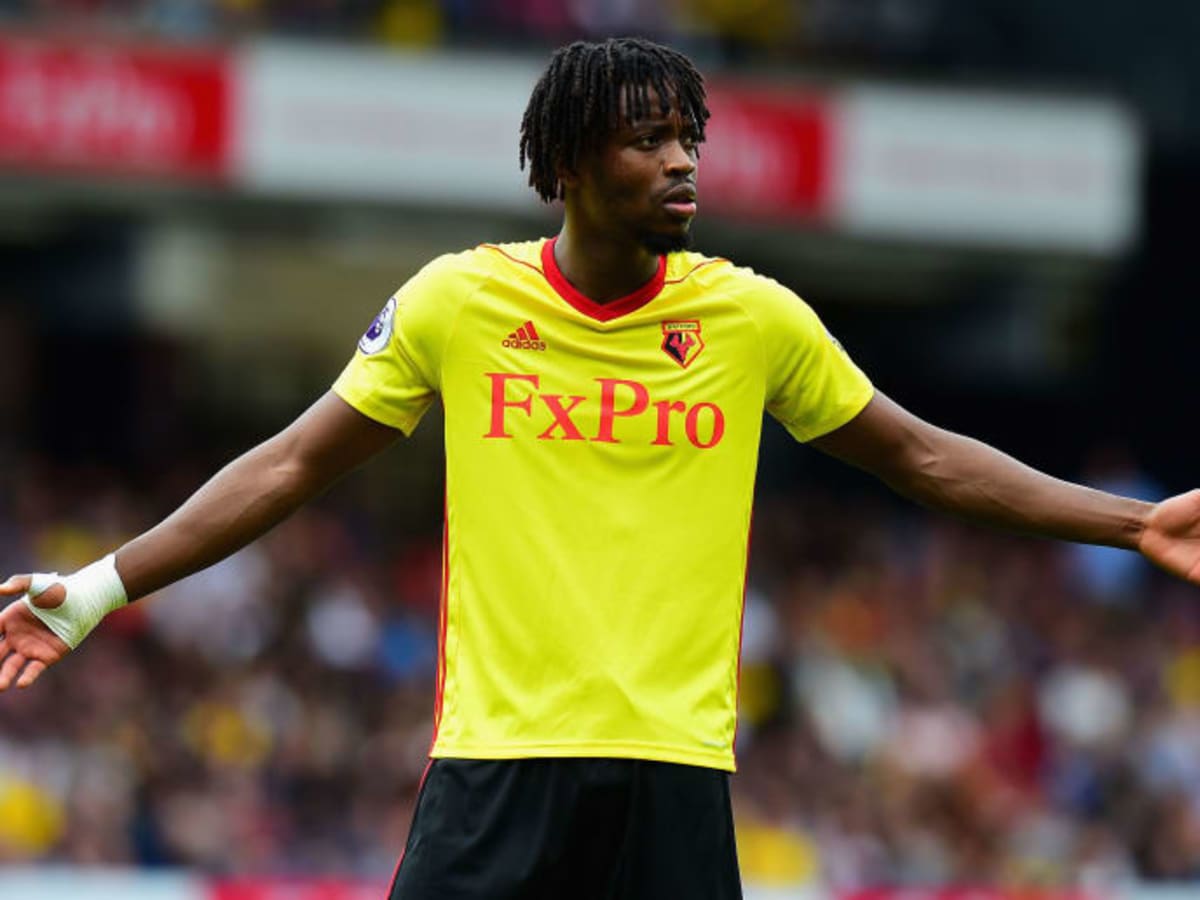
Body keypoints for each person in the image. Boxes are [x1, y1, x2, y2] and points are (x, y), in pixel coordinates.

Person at [1, 36, 1198, 899]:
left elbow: (926, 458)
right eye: (649, 140)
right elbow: (291, 464)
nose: (683, 162)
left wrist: (1133, 525)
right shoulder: (460, 302)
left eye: (690, 138)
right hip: (495, 767)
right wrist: (100, 588)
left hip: (671, 777)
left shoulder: (755, 320)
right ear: (571, 162)